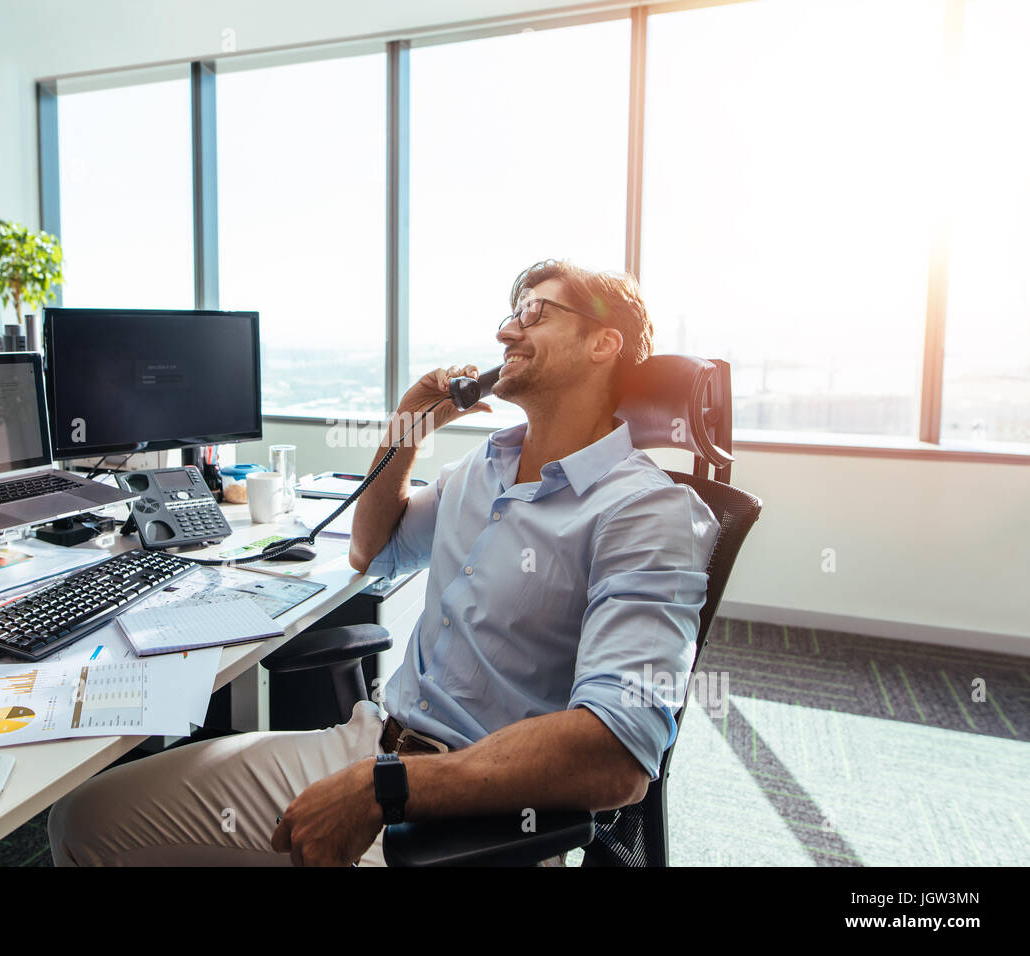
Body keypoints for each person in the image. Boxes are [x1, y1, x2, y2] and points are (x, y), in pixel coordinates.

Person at [47, 259, 720, 867]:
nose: (508, 332)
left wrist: (386, 789)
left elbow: (617, 757)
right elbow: (374, 548)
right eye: (512, 313)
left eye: (537, 312)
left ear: (605, 344)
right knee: (85, 822)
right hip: (371, 746)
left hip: (476, 820)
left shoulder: (648, 515)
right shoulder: (482, 469)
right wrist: (409, 423)